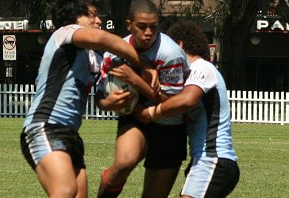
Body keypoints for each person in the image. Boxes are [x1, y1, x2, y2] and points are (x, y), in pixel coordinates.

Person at [19, 0, 156, 197]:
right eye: (92, 15)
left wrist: (109, 102)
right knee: (65, 190)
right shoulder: (64, 33)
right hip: (45, 126)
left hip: (71, 135)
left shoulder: (94, 58)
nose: (99, 21)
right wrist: (143, 63)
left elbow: (100, 98)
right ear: (74, 17)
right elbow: (103, 39)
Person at [95, 0, 189, 197]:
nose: (148, 33)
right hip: (135, 118)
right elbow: (100, 96)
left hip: (169, 125)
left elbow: (173, 103)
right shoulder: (113, 53)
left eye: (154, 27)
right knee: (124, 162)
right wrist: (106, 103)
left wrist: (135, 80)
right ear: (129, 25)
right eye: (142, 26)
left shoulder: (170, 54)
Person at [138, 21, 240, 198]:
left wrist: (152, 113)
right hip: (203, 160)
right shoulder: (187, 74)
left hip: (213, 159)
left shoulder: (201, 67)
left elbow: (187, 100)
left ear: (179, 45)